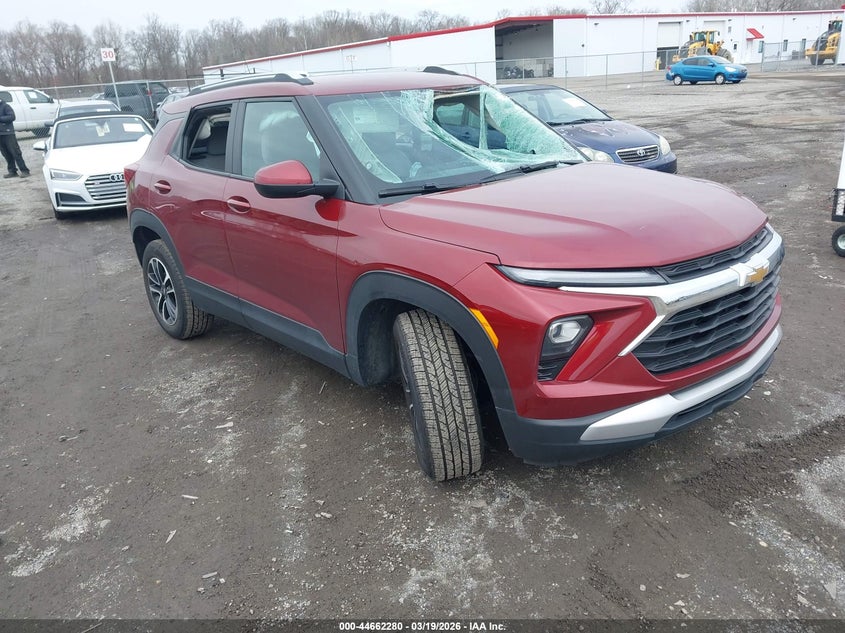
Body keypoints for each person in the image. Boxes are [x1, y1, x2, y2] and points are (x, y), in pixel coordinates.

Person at [0, 96, 31, 178]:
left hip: (8, 133)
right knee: (6, 154)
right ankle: (12, 171)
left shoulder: (5, 106)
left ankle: (25, 170)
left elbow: (12, 117)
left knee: (15, 152)